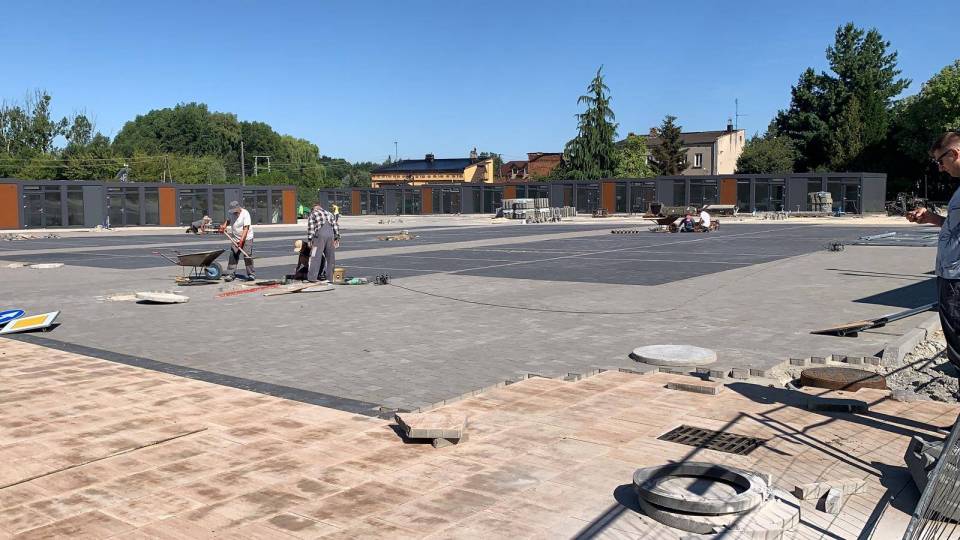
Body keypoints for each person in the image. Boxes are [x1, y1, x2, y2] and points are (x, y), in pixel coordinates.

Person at [907, 131, 960, 369]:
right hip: (950, 273)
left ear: (955, 153)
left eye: (940, 160)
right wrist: (932, 218)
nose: (940, 167)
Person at [306, 201, 340, 283]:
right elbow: (335, 225)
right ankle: (330, 278)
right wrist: (337, 237)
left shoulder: (313, 214)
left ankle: (312, 278)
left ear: (314, 208)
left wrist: (310, 239)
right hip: (330, 235)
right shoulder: (329, 213)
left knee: (315, 256)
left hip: (319, 236)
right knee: (330, 257)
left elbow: (311, 228)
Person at [222, 201, 255, 282]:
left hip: (247, 238)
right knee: (233, 255)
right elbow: (228, 220)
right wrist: (224, 226)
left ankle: (251, 274)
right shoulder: (231, 213)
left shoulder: (245, 214)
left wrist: (241, 241)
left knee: (247, 255)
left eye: (235, 211)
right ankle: (230, 274)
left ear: (238, 208)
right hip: (235, 238)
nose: (234, 213)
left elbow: (246, 229)